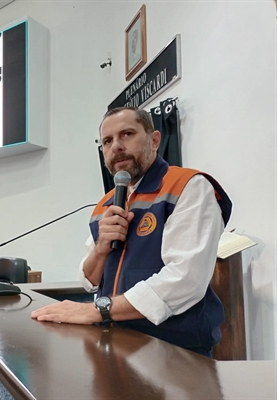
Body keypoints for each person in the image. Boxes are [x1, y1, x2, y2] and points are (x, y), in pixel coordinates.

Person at [31, 107, 232, 357]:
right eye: (107, 141)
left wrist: (98, 310)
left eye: (126, 134)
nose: (116, 146)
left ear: (155, 140)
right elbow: (90, 280)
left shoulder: (188, 187)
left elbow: (185, 278)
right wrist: (102, 247)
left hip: (174, 351)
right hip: (113, 344)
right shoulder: (106, 204)